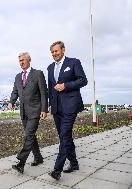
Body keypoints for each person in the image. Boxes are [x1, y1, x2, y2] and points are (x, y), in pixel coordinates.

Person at [47, 41, 87, 180]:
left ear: (63, 50)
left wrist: (66, 85)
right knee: (65, 137)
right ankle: (74, 163)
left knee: (64, 136)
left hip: (70, 106)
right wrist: (48, 105)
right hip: (57, 108)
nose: (54, 54)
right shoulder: (50, 67)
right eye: (52, 52)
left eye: (56, 51)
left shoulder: (74, 62)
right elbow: (50, 88)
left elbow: (83, 80)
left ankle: (57, 170)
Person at [8, 52, 48, 174]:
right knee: (31, 135)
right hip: (23, 112)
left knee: (28, 135)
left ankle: (21, 162)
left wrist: (44, 109)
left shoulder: (38, 74)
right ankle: (38, 157)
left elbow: (43, 92)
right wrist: (11, 102)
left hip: (35, 110)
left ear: (29, 60)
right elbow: (15, 91)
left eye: (23, 60)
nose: (21, 62)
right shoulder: (17, 77)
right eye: (19, 61)